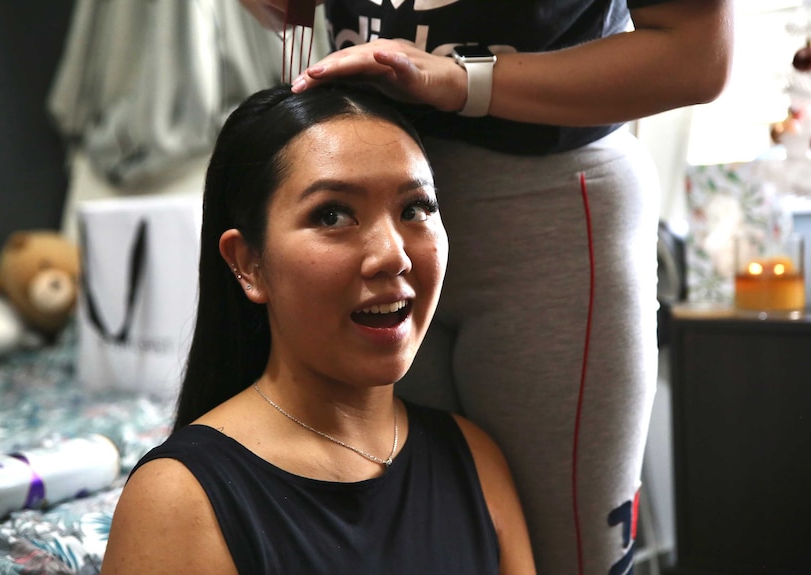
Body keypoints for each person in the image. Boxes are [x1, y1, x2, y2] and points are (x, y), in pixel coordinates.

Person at [234, 2, 734, 574]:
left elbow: (699, 55)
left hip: (546, 194)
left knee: (569, 558)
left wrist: (464, 78)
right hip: (378, 176)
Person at [100, 82, 537, 575]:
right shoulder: (180, 500)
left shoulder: (474, 461)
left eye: (415, 209)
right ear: (249, 264)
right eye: (333, 215)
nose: (393, 254)